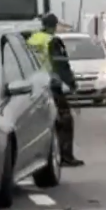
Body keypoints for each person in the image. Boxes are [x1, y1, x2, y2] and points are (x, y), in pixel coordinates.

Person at [26, 13, 84, 167]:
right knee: (64, 120)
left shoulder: (31, 40)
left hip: (33, 86)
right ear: (54, 25)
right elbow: (61, 65)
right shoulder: (52, 41)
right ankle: (65, 156)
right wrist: (71, 84)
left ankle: (39, 157)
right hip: (52, 85)